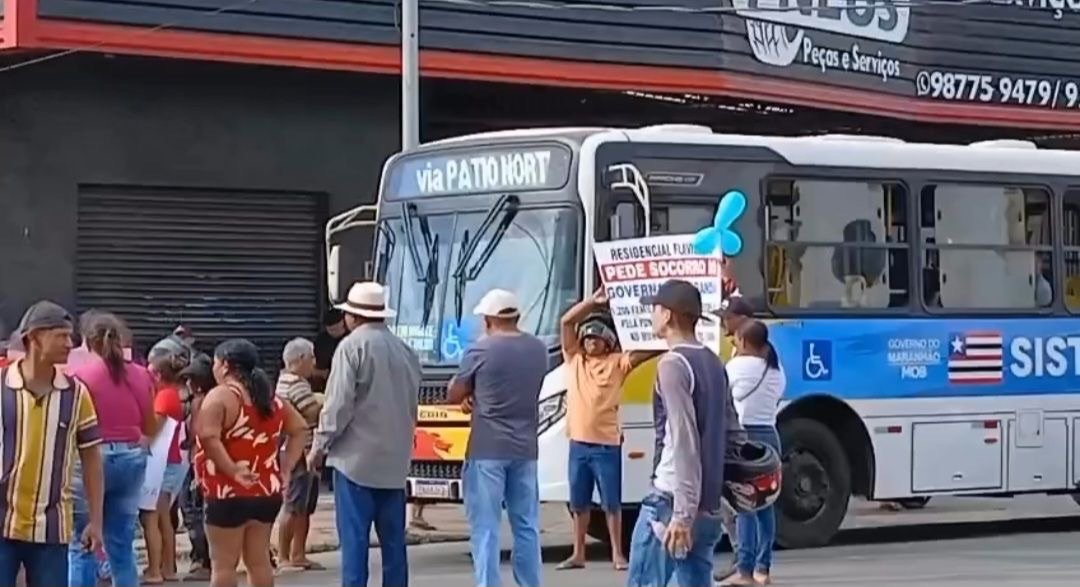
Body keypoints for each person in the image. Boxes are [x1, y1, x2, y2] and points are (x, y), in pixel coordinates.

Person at [626, 280, 744, 587]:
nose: (651, 315)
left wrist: (682, 514)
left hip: (671, 501)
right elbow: (733, 432)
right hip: (708, 503)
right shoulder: (713, 361)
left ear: (667, 315)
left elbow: (683, 440)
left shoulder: (673, 364)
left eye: (654, 309)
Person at [308, 281, 421, 587]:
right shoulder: (406, 351)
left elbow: (337, 406)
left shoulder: (351, 347)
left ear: (353, 316)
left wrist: (319, 446)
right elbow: (412, 407)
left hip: (355, 463)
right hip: (394, 464)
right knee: (394, 546)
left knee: (355, 545)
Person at [0, 301, 104, 587]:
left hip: (51, 527)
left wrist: (96, 521)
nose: (70, 344)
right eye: (61, 336)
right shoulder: (2, 386)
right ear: (34, 337)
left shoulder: (76, 394)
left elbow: (92, 460)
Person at [448, 288, 547, 587]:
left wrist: (472, 394)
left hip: (487, 448)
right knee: (526, 524)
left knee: (486, 527)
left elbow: (454, 393)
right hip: (526, 447)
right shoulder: (538, 349)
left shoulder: (481, 350)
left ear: (488, 320)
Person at [556, 288, 657, 572]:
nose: (590, 342)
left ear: (608, 341)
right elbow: (566, 322)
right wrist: (592, 302)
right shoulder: (574, 360)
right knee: (578, 504)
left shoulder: (617, 363)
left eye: (596, 338)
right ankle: (578, 553)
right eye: (587, 338)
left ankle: (617, 554)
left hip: (606, 444)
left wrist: (668, 339)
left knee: (612, 503)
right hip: (578, 443)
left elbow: (644, 353)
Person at [195, 339, 306, 587]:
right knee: (259, 561)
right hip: (266, 490)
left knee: (224, 566)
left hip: (227, 491)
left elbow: (208, 436)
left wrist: (232, 469)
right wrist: (286, 467)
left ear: (225, 365)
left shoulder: (222, 396)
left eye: (215, 363)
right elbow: (299, 429)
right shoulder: (270, 399)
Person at [68, 312, 155, 587]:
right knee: (121, 545)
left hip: (93, 458)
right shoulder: (141, 374)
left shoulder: (80, 377)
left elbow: (74, 426)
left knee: (82, 542)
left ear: (87, 342)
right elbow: (150, 424)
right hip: (131, 456)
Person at [719, 320, 786, 587]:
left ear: (744, 341)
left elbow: (723, 398)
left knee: (744, 504)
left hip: (744, 439)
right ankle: (763, 569)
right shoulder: (776, 370)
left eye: (736, 338)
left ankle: (744, 570)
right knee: (766, 507)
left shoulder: (735, 366)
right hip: (770, 435)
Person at [141, 336, 194, 584]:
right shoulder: (171, 394)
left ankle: (159, 569)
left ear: (159, 374)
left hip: (164, 463)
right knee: (162, 516)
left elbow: (153, 431)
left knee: (154, 516)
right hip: (169, 461)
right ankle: (166, 567)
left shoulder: (165, 397)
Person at [275, 337, 325, 571]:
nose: (314, 363)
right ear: (301, 359)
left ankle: (298, 554)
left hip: (302, 450)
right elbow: (312, 412)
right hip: (299, 451)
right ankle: (285, 555)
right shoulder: (296, 384)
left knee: (304, 505)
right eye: (311, 357)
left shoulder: (286, 381)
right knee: (294, 504)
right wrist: (324, 401)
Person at [177, 353, 215, 581]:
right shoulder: (211, 399)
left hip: (196, 462)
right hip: (204, 462)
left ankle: (201, 559)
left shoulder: (200, 402)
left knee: (193, 512)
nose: (188, 383)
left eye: (192, 379)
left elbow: (196, 434)